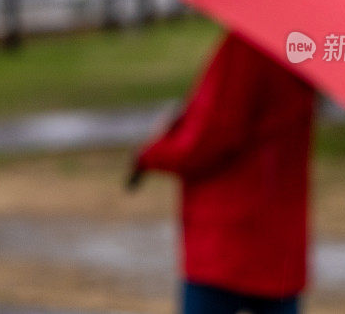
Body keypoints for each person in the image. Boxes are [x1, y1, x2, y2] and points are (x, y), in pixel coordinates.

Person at [128, 31, 315, 314]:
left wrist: (151, 152)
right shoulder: (302, 50)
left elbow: (209, 139)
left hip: (227, 241)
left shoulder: (246, 47)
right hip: (281, 243)